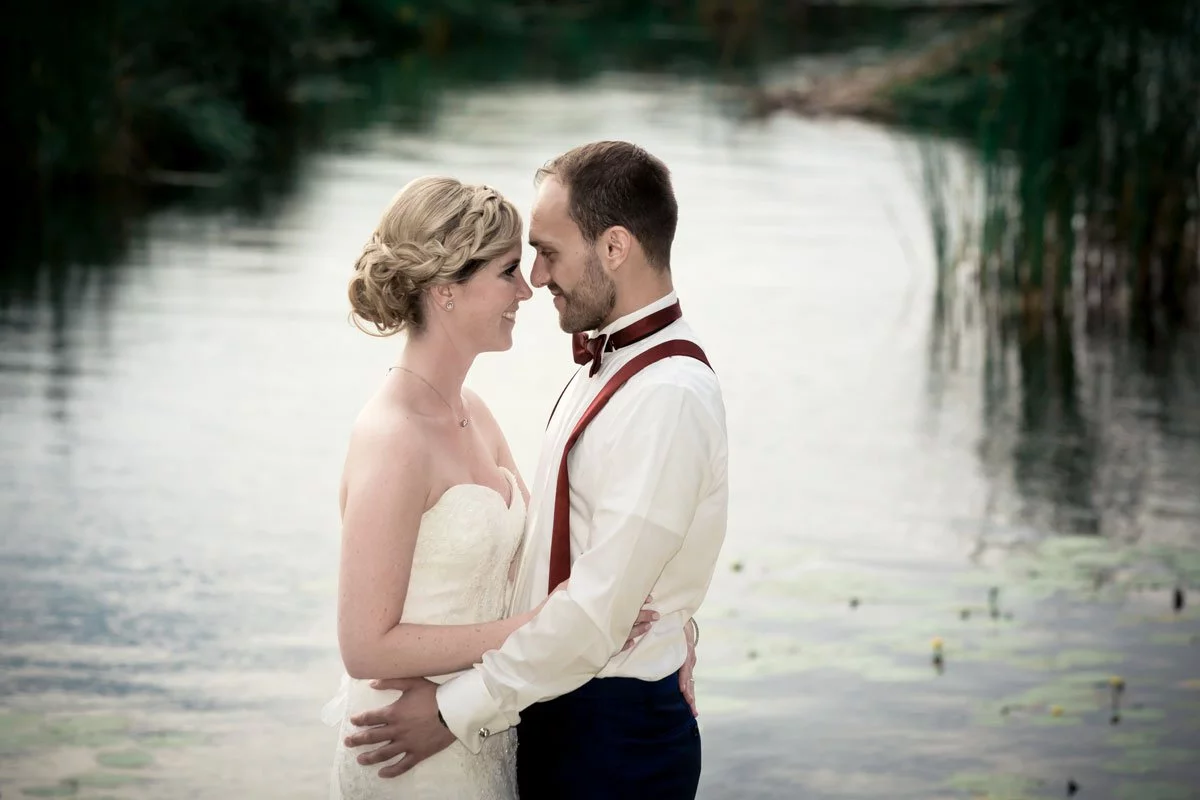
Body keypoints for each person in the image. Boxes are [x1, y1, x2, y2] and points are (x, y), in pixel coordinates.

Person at [343, 141, 729, 800]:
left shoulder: (665, 394)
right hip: (516, 721)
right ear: (444, 290)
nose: (535, 281)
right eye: (514, 266)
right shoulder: (595, 375)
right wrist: (668, 621)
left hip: (604, 735)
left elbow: (598, 606)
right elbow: (558, 564)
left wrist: (668, 626)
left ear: (614, 248)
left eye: (546, 254)